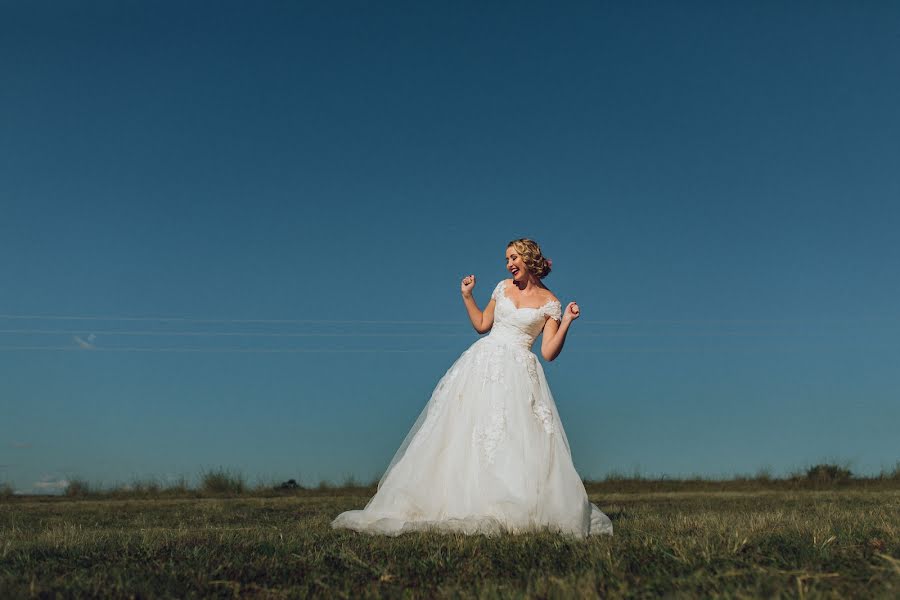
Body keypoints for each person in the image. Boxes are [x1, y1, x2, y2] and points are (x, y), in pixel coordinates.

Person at [331, 238, 613, 538]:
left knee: (511, 436)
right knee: (466, 430)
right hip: (482, 363)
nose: (508, 264)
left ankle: (510, 501)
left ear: (529, 259)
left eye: (514, 257)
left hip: (518, 372)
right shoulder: (503, 287)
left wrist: (567, 320)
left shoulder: (550, 303)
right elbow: (482, 324)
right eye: (506, 259)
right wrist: (467, 296)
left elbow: (548, 353)